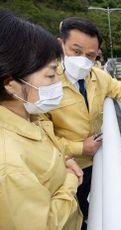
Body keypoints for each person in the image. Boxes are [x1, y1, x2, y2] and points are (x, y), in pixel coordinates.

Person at [36, 17, 121, 228]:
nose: (83, 60)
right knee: (69, 211)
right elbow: (41, 136)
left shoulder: (98, 77)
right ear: (60, 44)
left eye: (90, 55)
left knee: (91, 203)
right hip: (66, 166)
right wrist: (80, 147)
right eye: (76, 51)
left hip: (96, 160)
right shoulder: (46, 83)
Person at [0, 11, 83, 229]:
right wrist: (70, 180)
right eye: (50, 74)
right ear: (11, 84)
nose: (58, 81)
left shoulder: (29, 116)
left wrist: (63, 160)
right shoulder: (8, 165)